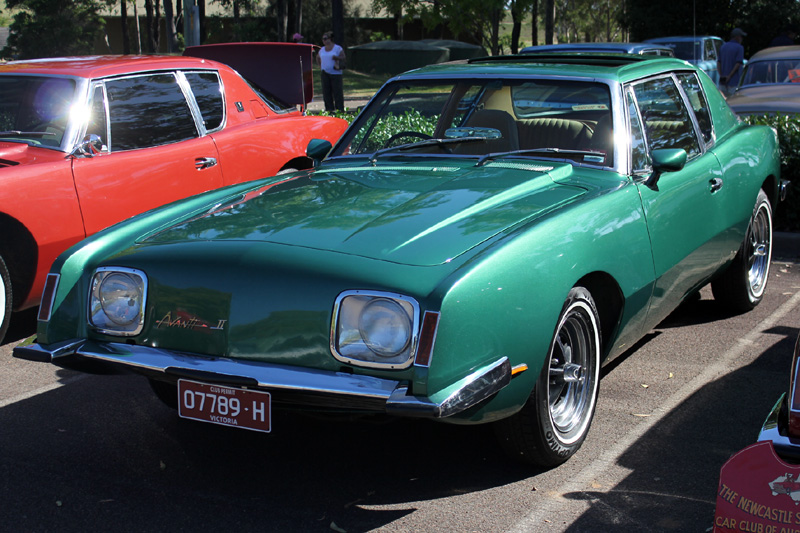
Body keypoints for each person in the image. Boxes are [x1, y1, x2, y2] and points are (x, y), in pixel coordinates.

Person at [316, 31, 345, 111]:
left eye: (325, 39)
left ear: (330, 39)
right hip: (325, 73)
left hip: (336, 73)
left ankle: (340, 110)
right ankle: (329, 110)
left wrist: (337, 58)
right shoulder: (322, 49)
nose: (324, 41)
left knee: (337, 93)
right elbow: (318, 57)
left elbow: (343, 57)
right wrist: (320, 66)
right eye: (323, 39)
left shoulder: (337, 48)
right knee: (326, 93)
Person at [718, 28, 747, 97]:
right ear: (737, 37)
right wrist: (729, 76)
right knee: (733, 100)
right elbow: (738, 64)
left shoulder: (723, 47)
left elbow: (718, 63)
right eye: (741, 37)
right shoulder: (739, 48)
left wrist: (721, 75)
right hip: (734, 82)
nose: (742, 39)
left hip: (722, 81)